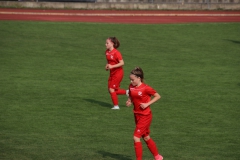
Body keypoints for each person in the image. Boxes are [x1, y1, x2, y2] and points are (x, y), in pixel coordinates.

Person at [126, 67, 163, 160]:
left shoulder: (146, 88)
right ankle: (157, 157)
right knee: (146, 137)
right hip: (137, 114)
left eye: (133, 80)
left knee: (136, 137)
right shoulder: (131, 87)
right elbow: (131, 95)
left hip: (145, 116)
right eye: (130, 79)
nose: (131, 82)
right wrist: (129, 101)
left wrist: (147, 104)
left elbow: (158, 96)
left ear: (139, 78)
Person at [105, 37, 128, 110]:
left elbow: (122, 63)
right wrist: (107, 66)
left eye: (107, 43)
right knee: (110, 90)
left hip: (118, 73)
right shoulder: (107, 52)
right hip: (112, 73)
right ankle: (128, 92)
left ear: (112, 44)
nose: (105, 44)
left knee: (112, 89)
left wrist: (112, 66)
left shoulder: (116, 53)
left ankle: (116, 106)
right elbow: (109, 62)